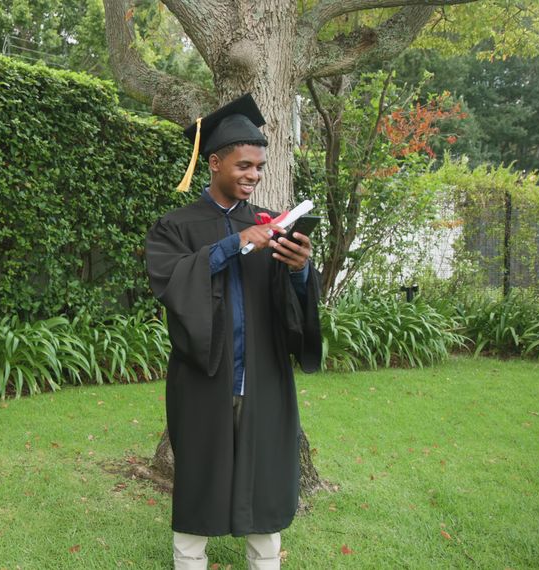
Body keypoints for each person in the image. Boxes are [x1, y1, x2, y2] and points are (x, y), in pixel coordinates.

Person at [145, 94, 323, 570]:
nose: (253, 175)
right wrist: (232, 245)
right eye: (244, 165)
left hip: (264, 377)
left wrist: (300, 270)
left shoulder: (270, 224)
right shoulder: (176, 227)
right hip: (204, 377)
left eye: (260, 167)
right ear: (215, 162)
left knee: (264, 479)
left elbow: (293, 306)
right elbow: (170, 282)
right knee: (199, 480)